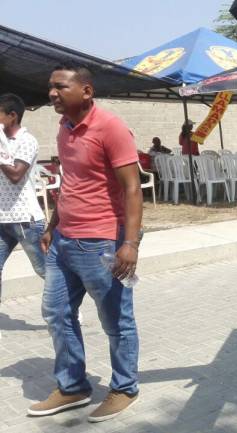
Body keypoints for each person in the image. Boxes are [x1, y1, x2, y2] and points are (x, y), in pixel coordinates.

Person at [27, 64, 143, 423]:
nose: (52, 93)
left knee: (116, 321)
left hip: (101, 245)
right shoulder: (63, 127)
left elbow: (132, 188)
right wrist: (52, 226)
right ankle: (73, 385)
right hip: (63, 242)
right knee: (57, 313)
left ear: (86, 91)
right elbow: (71, 182)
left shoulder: (110, 127)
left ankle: (124, 387)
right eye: (50, 86)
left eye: (60, 86)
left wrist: (131, 243)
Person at [0, 93, 47, 340]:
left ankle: (65, 309)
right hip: (1, 219)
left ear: (12, 116)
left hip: (25, 220)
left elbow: (16, 175)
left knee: (45, 269)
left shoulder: (27, 141)